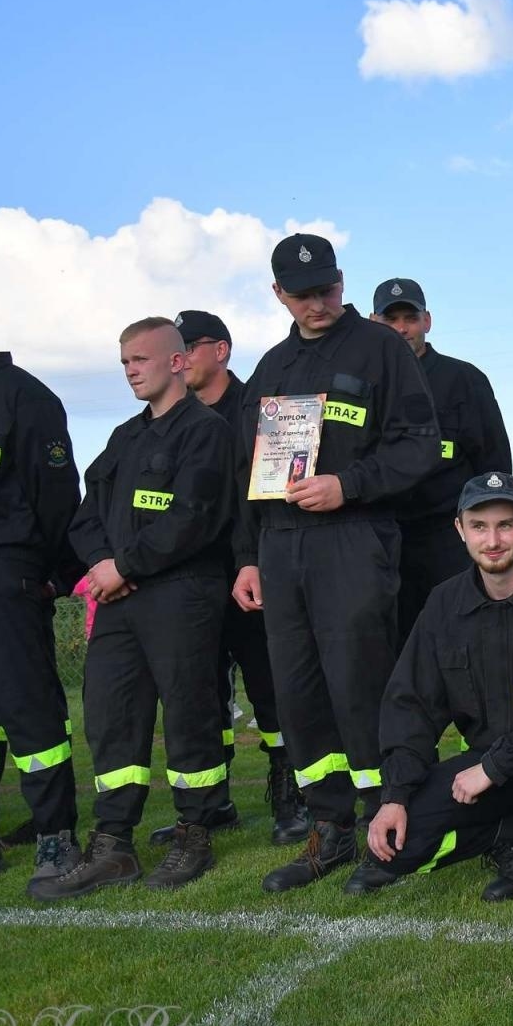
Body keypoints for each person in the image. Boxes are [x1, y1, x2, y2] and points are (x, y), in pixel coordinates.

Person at [232, 234, 442, 893]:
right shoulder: (270, 369)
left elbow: (419, 446)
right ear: (278, 295)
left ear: (342, 282)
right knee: (298, 691)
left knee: (360, 684)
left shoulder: (381, 348)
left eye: (326, 288)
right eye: (302, 294)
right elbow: (247, 472)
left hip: (354, 537)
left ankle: (389, 824)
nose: (318, 302)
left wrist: (347, 486)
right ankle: (329, 827)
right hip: (280, 547)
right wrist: (247, 558)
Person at [35, 317, 236, 899]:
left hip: (182, 593)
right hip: (120, 599)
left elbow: (195, 517)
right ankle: (113, 844)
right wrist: (103, 565)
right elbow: (85, 512)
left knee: (188, 710)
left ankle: (195, 831)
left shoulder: (207, 432)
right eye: (124, 362)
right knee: (111, 713)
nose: (130, 371)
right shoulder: (125, 437)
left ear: (177, 362)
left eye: (140, 360)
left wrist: (125, 566)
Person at [351, 472, 513, 913]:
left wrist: (494, 765)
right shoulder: (443, 604)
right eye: (479, 526)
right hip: (487, 768)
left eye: (505, 525)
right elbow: (411, 704)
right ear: (460, 530)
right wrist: (394, 796)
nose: (493, 540)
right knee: (397, 846)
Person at [140, 309, 306, 849]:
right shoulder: (167, 418)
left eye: (193, 345)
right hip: (189, 580)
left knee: (269, 683)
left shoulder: (261, 402)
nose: (181, 356)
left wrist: (255, 559)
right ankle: (213, 805)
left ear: (222, 351)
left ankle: (292, 794)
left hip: (251, 569)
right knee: (200, 693)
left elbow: (273, 489)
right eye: (176, 347)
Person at [0, 293, 83, 895]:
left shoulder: (25, 397)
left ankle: (55, 836)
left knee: (28, 709)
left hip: (3, 571)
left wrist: (48, 575)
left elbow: (58, 497)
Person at [370, 278, 512, 634]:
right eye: (391, 320)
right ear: (374, 322)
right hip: (385, 540)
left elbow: (494, 464)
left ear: (427, 321)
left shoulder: (464, 379)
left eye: (410, 318)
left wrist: (486, 531)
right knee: (397, 643)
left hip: (449, 540)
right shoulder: (365, 385)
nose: (402, 329)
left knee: (464, 634)